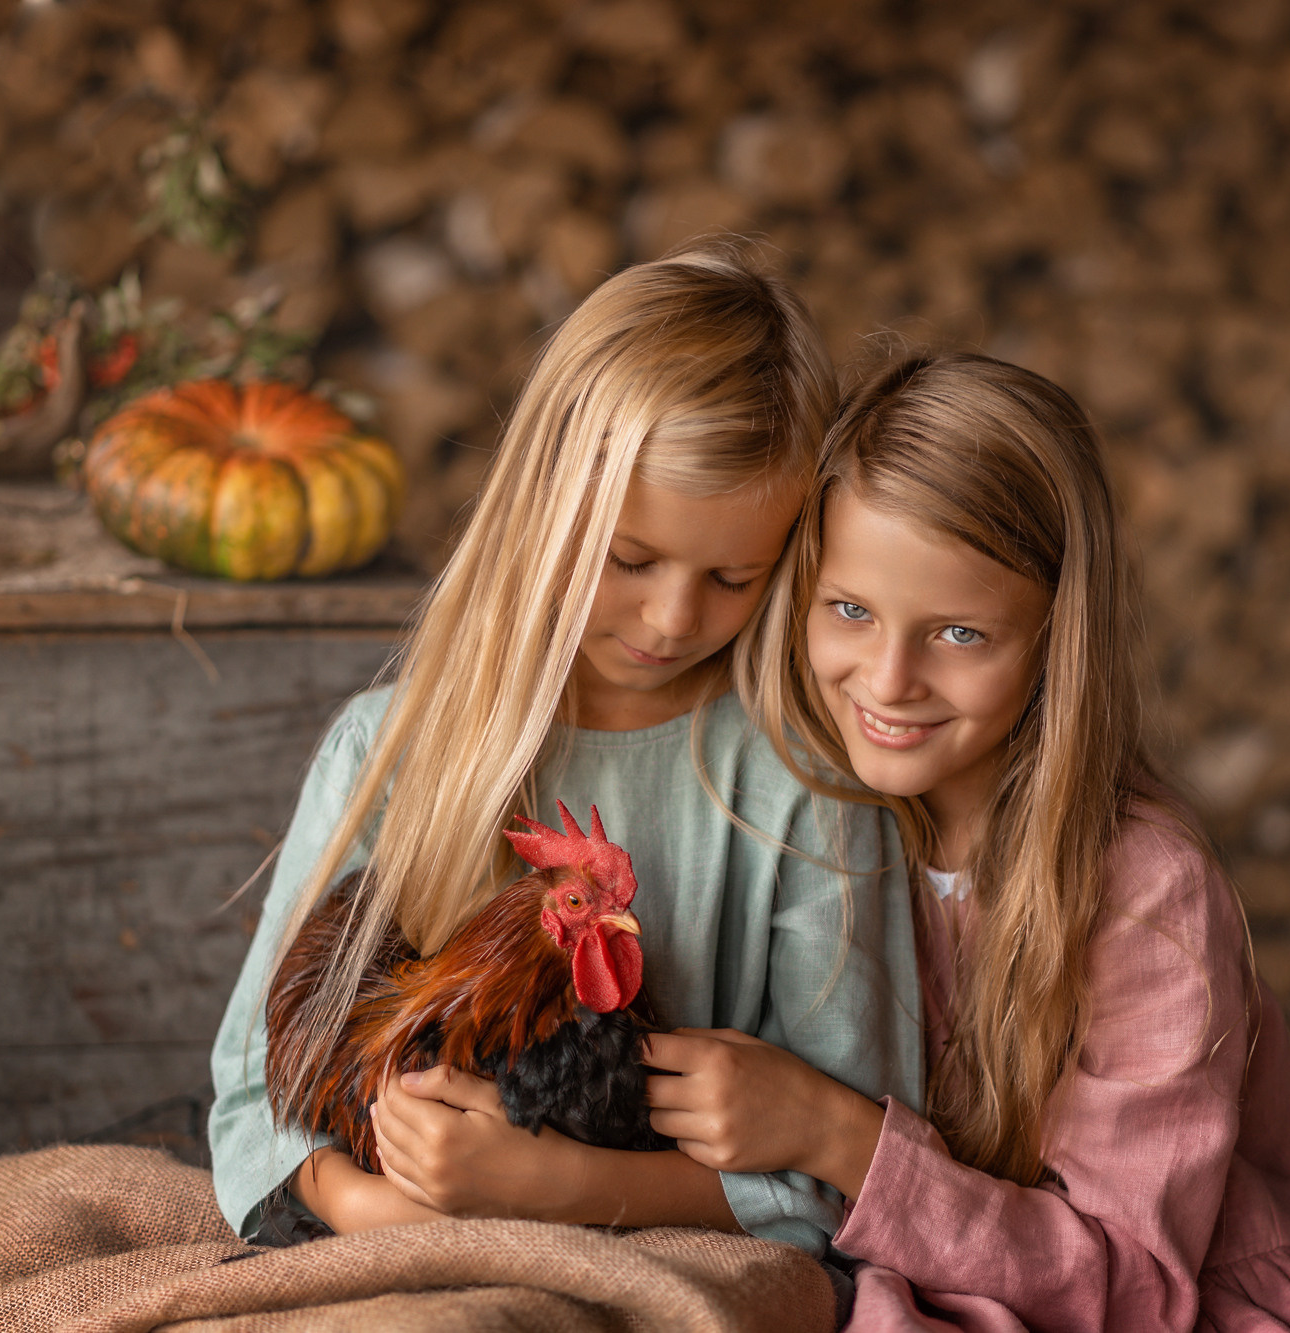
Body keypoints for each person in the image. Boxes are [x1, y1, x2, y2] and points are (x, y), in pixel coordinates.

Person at [643, 353, 1290, 1331]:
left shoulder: (1143, 890)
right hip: (949, 1260)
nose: (885, 680)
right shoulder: (813, 810)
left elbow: (1130, 1285)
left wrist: (829, 1131)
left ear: (1056, 637)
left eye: (958, 634)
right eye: (849, 611)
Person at [208, 246, 921, 1254]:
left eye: (732, 576)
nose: (672, 617)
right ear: (545, 502)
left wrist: (556, 1187)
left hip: (682, 1263)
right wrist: (374, 1207)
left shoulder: (804, 789)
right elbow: (250, 1096)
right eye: (629, 559)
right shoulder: (394, 750)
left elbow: (839, 1171)